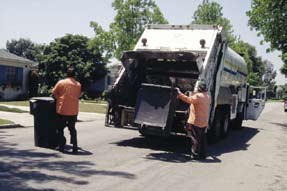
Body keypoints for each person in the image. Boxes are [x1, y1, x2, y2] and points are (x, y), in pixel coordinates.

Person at [176, 79, 210, 160]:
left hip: (196, 121)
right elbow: (195, 99)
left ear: (199, 88)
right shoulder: (207, 96)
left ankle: (195, 153)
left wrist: (179, 93)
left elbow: (188, 100)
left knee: (194, 137)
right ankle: (203, 154)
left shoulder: (198, 96)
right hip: (204, 121)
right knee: (202, 138)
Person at [52, 67, 81, 153]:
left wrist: (58, 97)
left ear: (66, 74)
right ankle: (75, 146)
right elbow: (78, 95)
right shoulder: (78, 84)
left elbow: (54, 92)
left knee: (59, 129)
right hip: (73, 110)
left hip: (62, 110)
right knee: (72, 128)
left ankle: (61, 146)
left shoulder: (61, 82)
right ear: (75, 75)